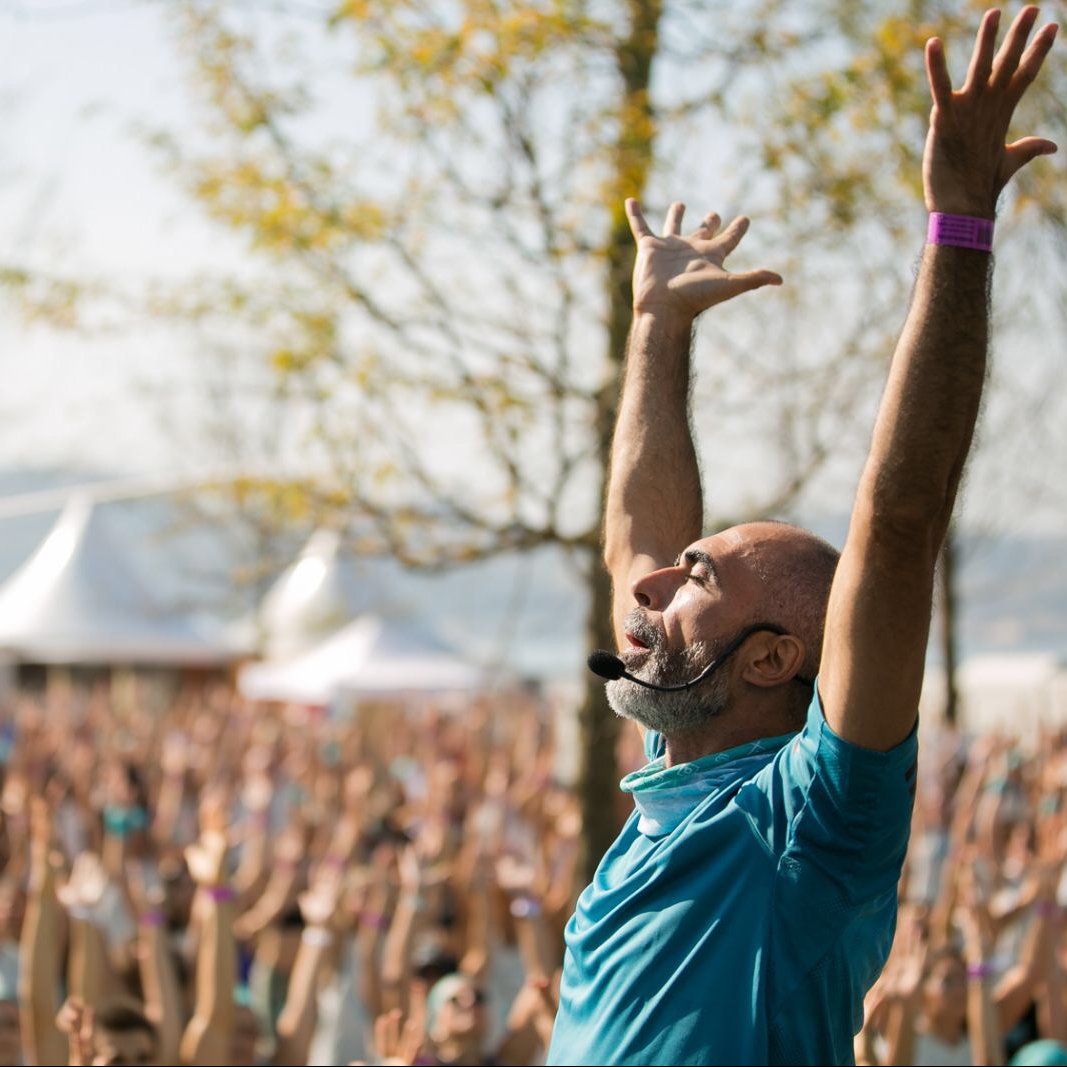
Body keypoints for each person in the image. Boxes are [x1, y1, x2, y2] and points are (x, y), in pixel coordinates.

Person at [546, 7, 1059, 1065]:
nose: (648, 586)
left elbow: (900, 524)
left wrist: (956, 226)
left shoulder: (812, 821)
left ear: (773, 655)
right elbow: (630, 537)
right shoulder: (673, 773)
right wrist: (654, 329)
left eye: (694, 579)